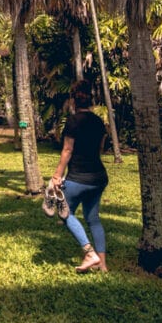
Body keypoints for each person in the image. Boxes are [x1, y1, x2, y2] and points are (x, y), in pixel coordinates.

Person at [53, 80, 108, 273]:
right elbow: (101, 148)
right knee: (93, 218)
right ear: (91, 100)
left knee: (64, 212)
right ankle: (102, 265)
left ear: (73, 100)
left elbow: (67, 150)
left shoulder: (73, 121)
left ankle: (89, 252)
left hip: (78, 177)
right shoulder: (99, 121)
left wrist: (57, 176)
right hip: (99, 177)